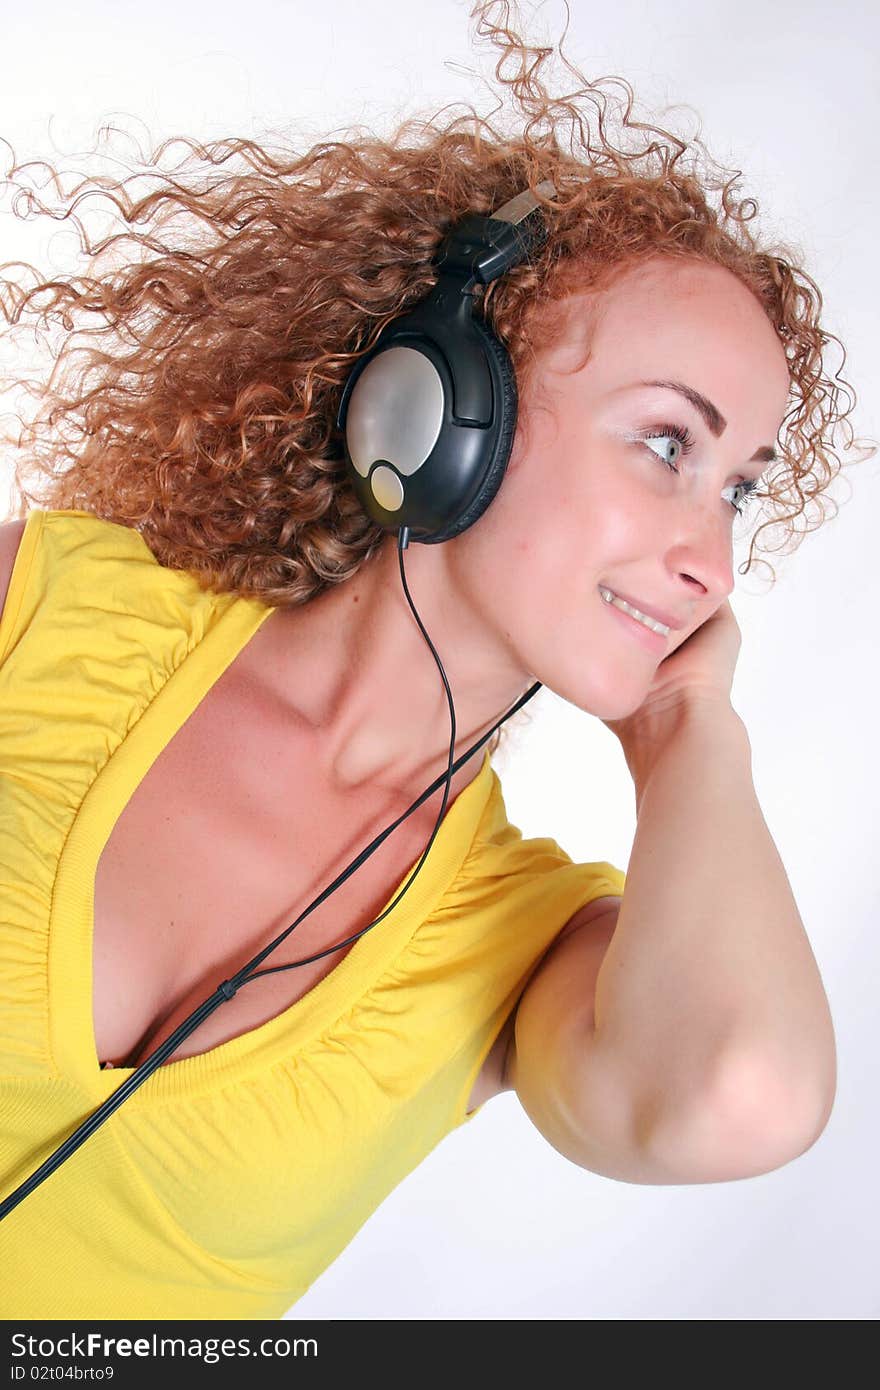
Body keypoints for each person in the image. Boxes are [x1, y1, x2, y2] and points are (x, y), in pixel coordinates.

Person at [0, 0, 867, 1321]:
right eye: (668, 445)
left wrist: (698, 732)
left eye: (738, 489)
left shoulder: (512, 943)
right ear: (445, 403)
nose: (711, 558)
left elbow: (744, 1093)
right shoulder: (51, 610)